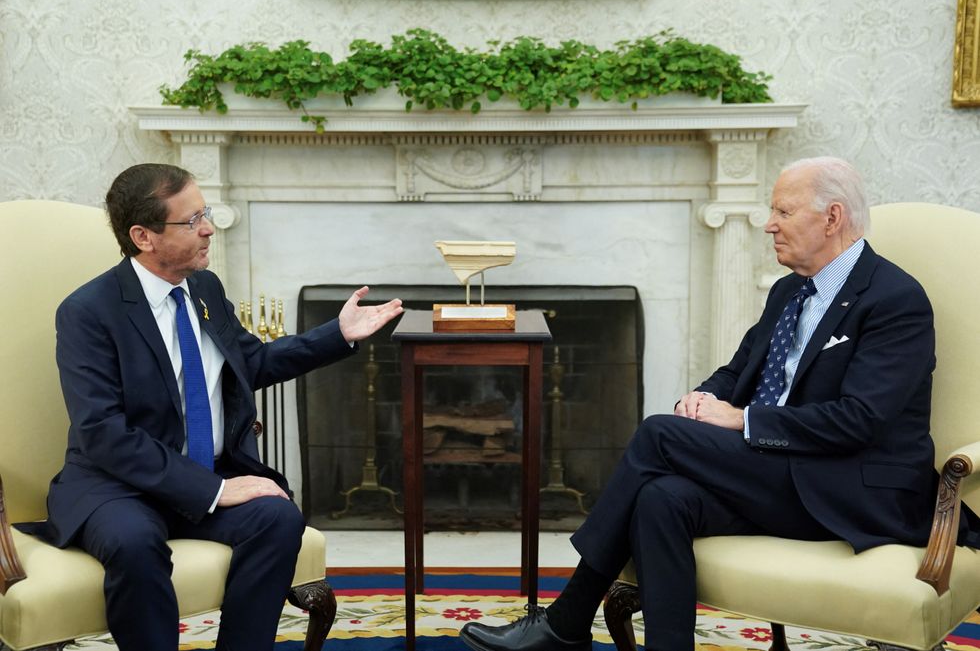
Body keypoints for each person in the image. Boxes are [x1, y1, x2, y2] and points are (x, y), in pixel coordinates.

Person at [459, 156, 980, 651]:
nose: (769, 224)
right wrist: (704, 398)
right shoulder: (788, 291)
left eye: (783, 210)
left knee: (657, 436)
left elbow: (859, 422)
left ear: (832, 217)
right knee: (661, 497)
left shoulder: (894, 299)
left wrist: (741, 419)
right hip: (780, 473)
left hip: (849, 485)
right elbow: (740, 371)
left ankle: (566, 622)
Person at [20, 163, 404, 651]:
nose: (208, 228)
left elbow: (252, 362)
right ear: (144, 236)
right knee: (134, 544)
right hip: (120, 487)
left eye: (205, 213)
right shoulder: (88, 312)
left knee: (278, 519)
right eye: (191, 220)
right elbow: (103, 434)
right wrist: (213, 489)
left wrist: (338, 335)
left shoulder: (204, 289)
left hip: (204, 475)